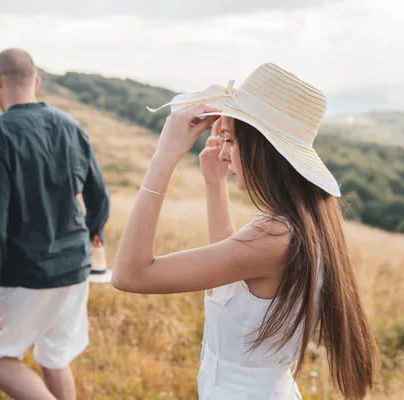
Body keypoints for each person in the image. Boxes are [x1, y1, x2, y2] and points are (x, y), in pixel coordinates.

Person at [112, 63, 379, 399]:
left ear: (261, 150)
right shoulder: (295, 229)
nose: (224, 152)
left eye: (231, 140)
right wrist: (214, 184)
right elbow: (230, 276)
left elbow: (130, 275)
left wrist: (164, 157)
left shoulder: (273, 239)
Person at [0, 48, 110, 400]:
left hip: (26, 272)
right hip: (75, 268)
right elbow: (100, 197)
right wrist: (92, 234)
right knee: (55, 357)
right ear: (36, 81)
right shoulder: (71, 126)